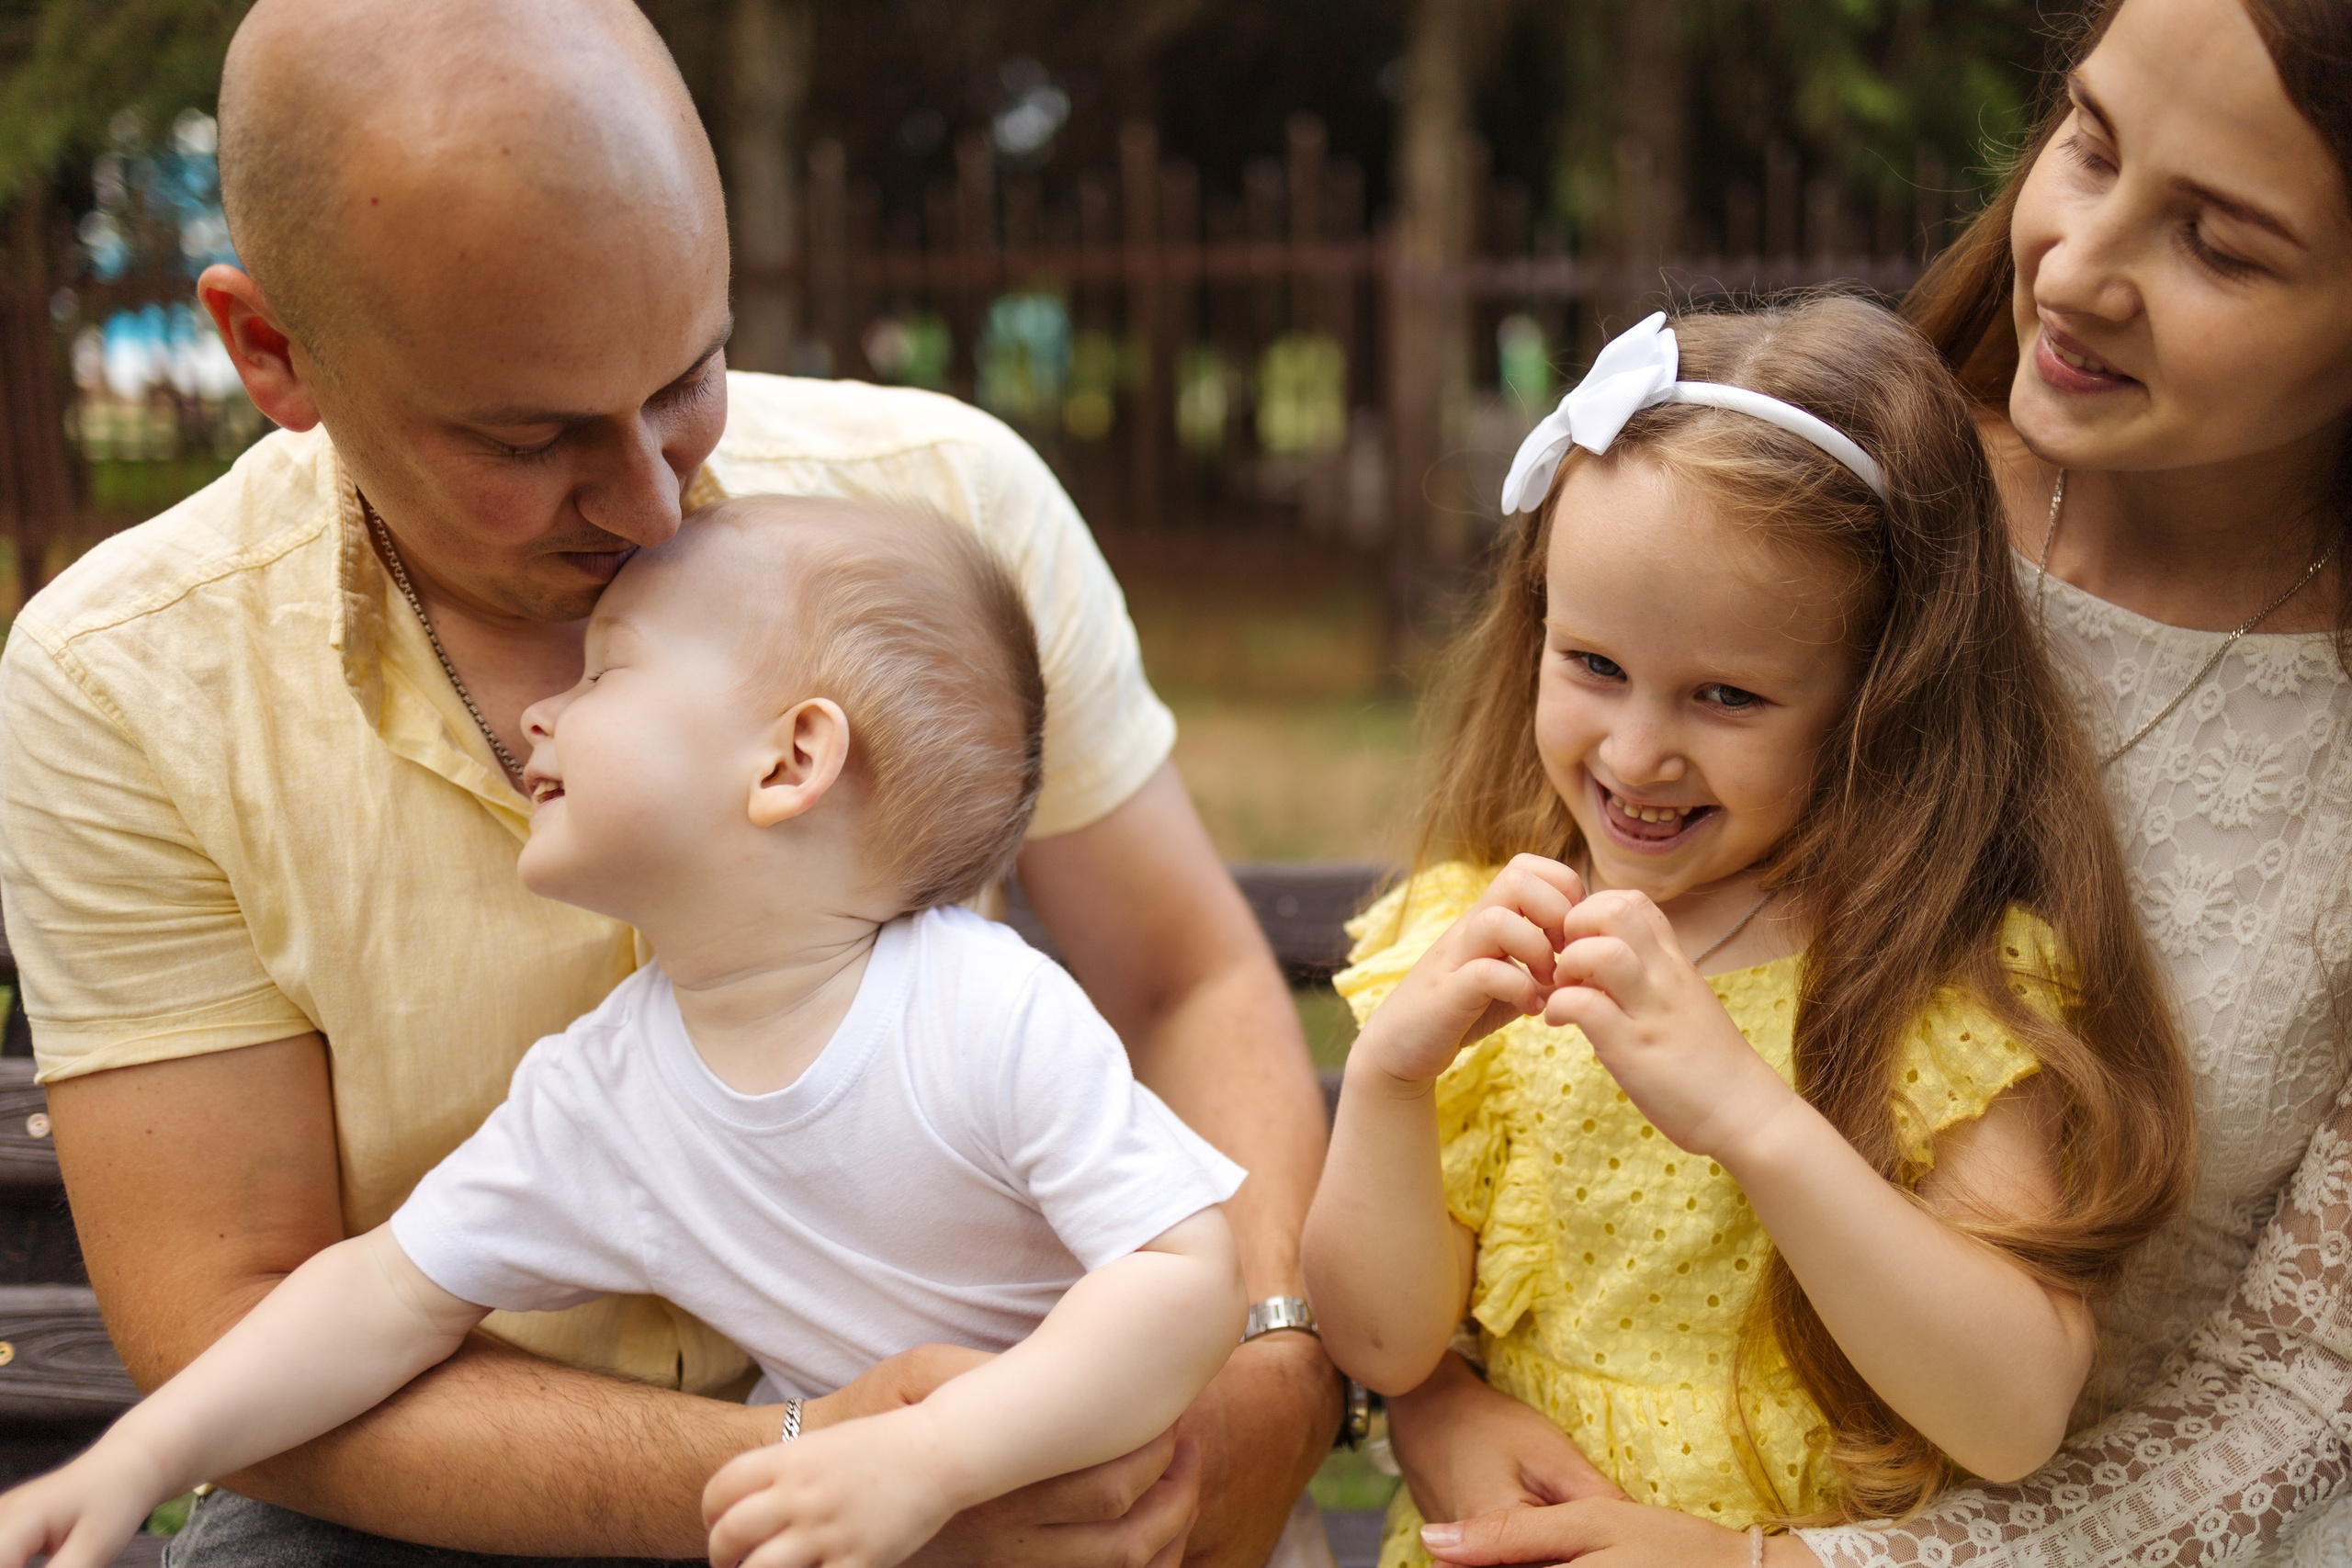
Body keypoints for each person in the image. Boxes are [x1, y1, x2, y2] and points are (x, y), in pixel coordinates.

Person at [0, 3, 1338, 1565]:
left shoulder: (941, 512)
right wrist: (820, 1473)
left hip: (1045, 1444)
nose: (654, 498)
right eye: (533, 433)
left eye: (690, 375)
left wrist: (1265, 1397)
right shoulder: (122, 679)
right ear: (271, 352)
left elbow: (1184, 985)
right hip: (442, 1483)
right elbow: (266, 1299)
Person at [1378, 0, 2352, 1563]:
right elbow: (1496, 1068)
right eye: (2088, 143)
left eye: (2223, 246)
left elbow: (2307, 1392)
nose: (2081, 269)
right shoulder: (1816, 498)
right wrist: (1426, 1397)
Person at [0, 496, 1254, 1568]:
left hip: (1122, 1525)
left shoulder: (978, 1011)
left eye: (605, 671)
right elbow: (383, 1296)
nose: (544, 711)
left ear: (790, 761)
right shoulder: (605, 1092)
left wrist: (929, 1457)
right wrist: (143, 1454)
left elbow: (1181, 1279)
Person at [1302, 299, 2197, 1565]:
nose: (1635, 751)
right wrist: (1392, 1080)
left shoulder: (1938, 985)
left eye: (1726, 695)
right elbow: (1383, 1344)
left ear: (1880, 702)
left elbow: (2010, 1416)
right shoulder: (1489, 937)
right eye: (1594, 664)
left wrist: (1751, 1115)